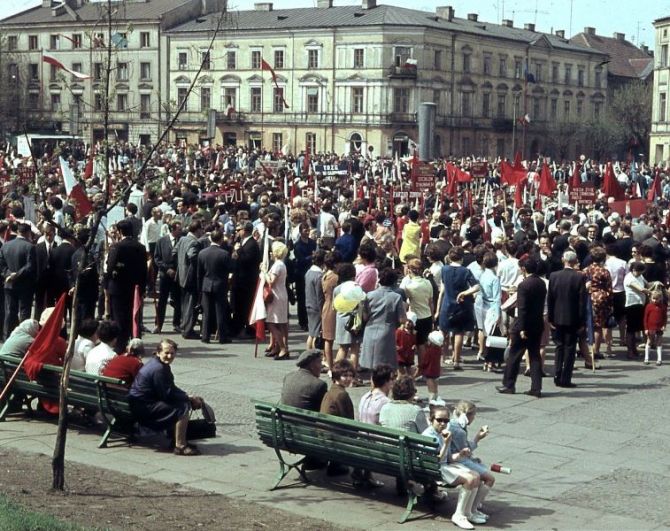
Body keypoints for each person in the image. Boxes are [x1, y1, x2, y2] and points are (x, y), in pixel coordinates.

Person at [128, 339, 204, 456]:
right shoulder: (159, 369)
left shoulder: (157, 364)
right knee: (182, 408)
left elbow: (170, 389)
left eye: (172, 353)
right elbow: (167, 395)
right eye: (166, 353)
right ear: (158, 352)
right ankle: (180, 445)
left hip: (139, 403)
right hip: (143, 407)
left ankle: (176, 439)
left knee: (181, 403)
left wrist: (187, 396)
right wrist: (188, 399)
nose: (169, 356)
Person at [422, 405, 484, 529]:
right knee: (469, 479)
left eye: (446, 420)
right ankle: (458, 515)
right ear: (431, 419)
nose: (443, 423)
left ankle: (468, 513)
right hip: (435, 469)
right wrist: (446, 443)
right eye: (439, 420)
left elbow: (449, 458)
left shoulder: (443, 434)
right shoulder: (429, 435)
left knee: (476, 475)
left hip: (444, 466)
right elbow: (437, 460)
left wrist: (460, 454)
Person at [497, 256, 547, 397]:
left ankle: (509, 384)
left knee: (514, 355)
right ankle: (536, 387)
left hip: (524, 324)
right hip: (537, 323)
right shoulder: (541, 283)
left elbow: (522, 308)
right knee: (535, 356)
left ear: (524, 269)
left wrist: (523, 328)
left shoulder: (524, 285)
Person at [447, 401, 495, 525]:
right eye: (473, 415)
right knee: (489, 478)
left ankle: (471, 509)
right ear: (468, 416)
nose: (474, 418)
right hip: (458, 461)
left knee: (479, 474)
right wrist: (477, 438)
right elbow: (465, 451)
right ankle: (472, 509)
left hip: (455, 458)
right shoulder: (459, 431)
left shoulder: (452, 424)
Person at [106, 219, 148, 352]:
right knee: (133, 316)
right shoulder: (140, 247)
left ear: (119, 232)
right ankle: (133, 340)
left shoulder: (117, 247)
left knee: (118, 317)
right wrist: (142, 287)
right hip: (134, 288)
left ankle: (120, 344)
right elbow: (144, 270)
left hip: (118, 287)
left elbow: (110, 266)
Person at [436, 246, 479, 371]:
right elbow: (476, 287)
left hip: (447, 303)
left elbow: (443, 286)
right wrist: (465, 293)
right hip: (461, 305)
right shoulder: (466, 271)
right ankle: (456, 360)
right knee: (459, 332)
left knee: (444, 332)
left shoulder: (444, 269)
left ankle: (443, 357)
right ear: (462, 257)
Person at [547, 251, 586, 388]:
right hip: (572, 318)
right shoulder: (579, 277)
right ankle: (566, 378)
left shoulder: (554, 276)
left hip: (557, 317)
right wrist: (582, 322)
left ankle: (557, 374)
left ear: (563, 260)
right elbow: (582, 302)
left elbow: (550, 299)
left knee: (559, 347)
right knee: (570, 348)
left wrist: (550, 318)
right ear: (575, 261)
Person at [356, 363, 395, 489]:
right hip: (376, 448)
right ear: (386, 382)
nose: (394, 382)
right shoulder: (386, 403)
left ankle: (367, 475)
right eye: (392, 379)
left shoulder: (364, 397)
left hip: (360, 443)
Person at [359, 268, 407, 371]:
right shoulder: (396, 297)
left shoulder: (369, 295)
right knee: (385, 366)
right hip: (387, 331)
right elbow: (402, 319)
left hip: (370, 329)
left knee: (372, 366)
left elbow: (364, 317)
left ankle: (373, 386)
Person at [320, 359, 355, 476]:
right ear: (336, 376)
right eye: (345, 375)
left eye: (350, 375)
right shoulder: (342, 394)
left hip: (323, 436)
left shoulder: (331, 391)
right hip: (334, 439)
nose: (349, 378)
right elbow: (349, 422)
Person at [0, 223, 36, 339]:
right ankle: (22, 337)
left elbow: (2, 265)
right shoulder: (29, 247)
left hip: (9, 284)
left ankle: (7, 337)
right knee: (24, 312)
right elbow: (30, 266)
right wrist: (17, 275)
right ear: (28, 233)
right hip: (25, 285)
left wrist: (10, 275)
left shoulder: (5, 246)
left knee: (10, 312)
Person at [197, 229, 232, 344]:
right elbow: (230, 268)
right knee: (220, 311)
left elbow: (199, 273)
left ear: (210, 239)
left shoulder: (202, 253)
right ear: (221, 239)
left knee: (206, 312)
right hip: (220, 285)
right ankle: (223, 336)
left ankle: (205, 336)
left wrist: (200, 287)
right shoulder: (224, 254)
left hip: (206, 284)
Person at [583, 247, 613, 364]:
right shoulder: (604, 271)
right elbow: (609, 289)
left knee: (588, 324)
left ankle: (587, 350)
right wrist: (610, 304)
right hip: (601, 299)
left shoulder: (586, 270)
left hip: (588, 297)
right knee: (598, 326)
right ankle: (595, 351)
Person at [231, 221, 261, 337]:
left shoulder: (251, 244)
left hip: (246, 282)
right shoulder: (242, 242)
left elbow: (246, 261)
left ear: (244, 230)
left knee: (246, 306)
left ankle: (248, 330)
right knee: (239, 306)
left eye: (239, 230)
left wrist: (237, 251)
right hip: (240, 280)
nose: (237, 232)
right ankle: (239, 328)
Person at [174, 220, 203, 339]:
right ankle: (188, 329)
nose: (202, 232)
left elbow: (174, 251)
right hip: (190, 278)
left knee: (185, 304)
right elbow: (192, 256)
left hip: (181, 276)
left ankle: (184, 325)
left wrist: (181, 265)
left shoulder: (182, 239)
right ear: (197, 230)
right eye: (201, 229)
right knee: (191, 304)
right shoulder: (194, 242)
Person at [153, 221, 182, 334]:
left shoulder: (182, 240)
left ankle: (177, 323)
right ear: (173, 229)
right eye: (179, 229)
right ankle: (158, 324)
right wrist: (167, 269)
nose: (180, 231)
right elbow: (157, 258)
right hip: (165, 274)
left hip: (177, 274)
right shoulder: (161, 241)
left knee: (178, 300)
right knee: (162, 301)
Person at [263, 241, 290, 360]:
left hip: (276, 296)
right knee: (280, 323)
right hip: (280, 294)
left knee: (272, 323)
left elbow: (271, 282)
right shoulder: (281, 264)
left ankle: (283, 348)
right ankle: (279, 347)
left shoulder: (278, 265)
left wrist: (264, 272)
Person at [624, 262, 648, 359]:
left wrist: (656, 283)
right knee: (631, 329)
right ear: (633, 270)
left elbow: (647, 284)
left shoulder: (640, 276)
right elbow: (641, 289)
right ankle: (630, 351)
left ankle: (634, 350)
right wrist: (651, 292)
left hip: (640, 304)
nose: (639, 274)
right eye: (638, 272)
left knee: (637, 328)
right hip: (632, 305)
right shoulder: (629, 278)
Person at [320, 251, 340, 372]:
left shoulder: (325, 275)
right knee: (330, 338)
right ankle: (332, 366)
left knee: (328, 338)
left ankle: (329, 363)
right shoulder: (336, 277)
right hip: (334, 307)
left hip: (326, 306)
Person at [304, 249, 325, 350]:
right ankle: (314, 355)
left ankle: (308, 353)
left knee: (311, 333)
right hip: (316, 307)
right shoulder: (319, 276)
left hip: (309, 304)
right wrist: (322, 311)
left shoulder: (308, 272)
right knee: (316, 334)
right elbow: (320, 296)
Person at [643, 290, 666, 366]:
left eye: (657, 299)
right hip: (650, 327)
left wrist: (664, 325)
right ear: (651, 298)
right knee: (649, 341)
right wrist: (646, 328)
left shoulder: (663, 306)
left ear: (660, 298)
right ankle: (646, 358)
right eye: (653, 298)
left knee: (659, 342)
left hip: (659, 327)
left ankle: (659, 359)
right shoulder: (648, 306)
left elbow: (664, 317)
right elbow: (645, 318)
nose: (655, 300)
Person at [395, 311, 417, 377]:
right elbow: (395, 341)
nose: (408, 323)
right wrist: (396, 347)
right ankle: (398, 385)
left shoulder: (413, 333)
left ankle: (410, 384)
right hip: (400, 355)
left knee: (409, 371)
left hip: (409, 355)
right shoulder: (399, 331)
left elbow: (414, 342)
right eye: (407, 321)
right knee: (401, 372)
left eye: (410, 322)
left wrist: (414, 346)